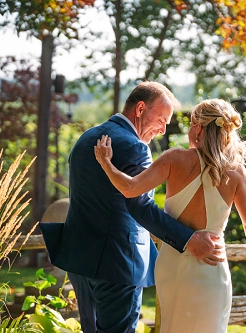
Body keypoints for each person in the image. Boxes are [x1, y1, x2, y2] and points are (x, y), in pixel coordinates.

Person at [40, 82, 224, 333]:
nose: (162, 130)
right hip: (117, 263)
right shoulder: (135, 147)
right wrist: (189, 239)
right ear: (140, 109)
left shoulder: (85, 139)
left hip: (80, 260)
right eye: (161, 119)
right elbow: (141, 207)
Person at [94, 98, 246, 333]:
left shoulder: (174, 159)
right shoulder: (236, 172)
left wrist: (106, 163)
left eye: (191, 124)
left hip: (171, 265)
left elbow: (131, 188)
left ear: (199, 128)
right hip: (211, 267)